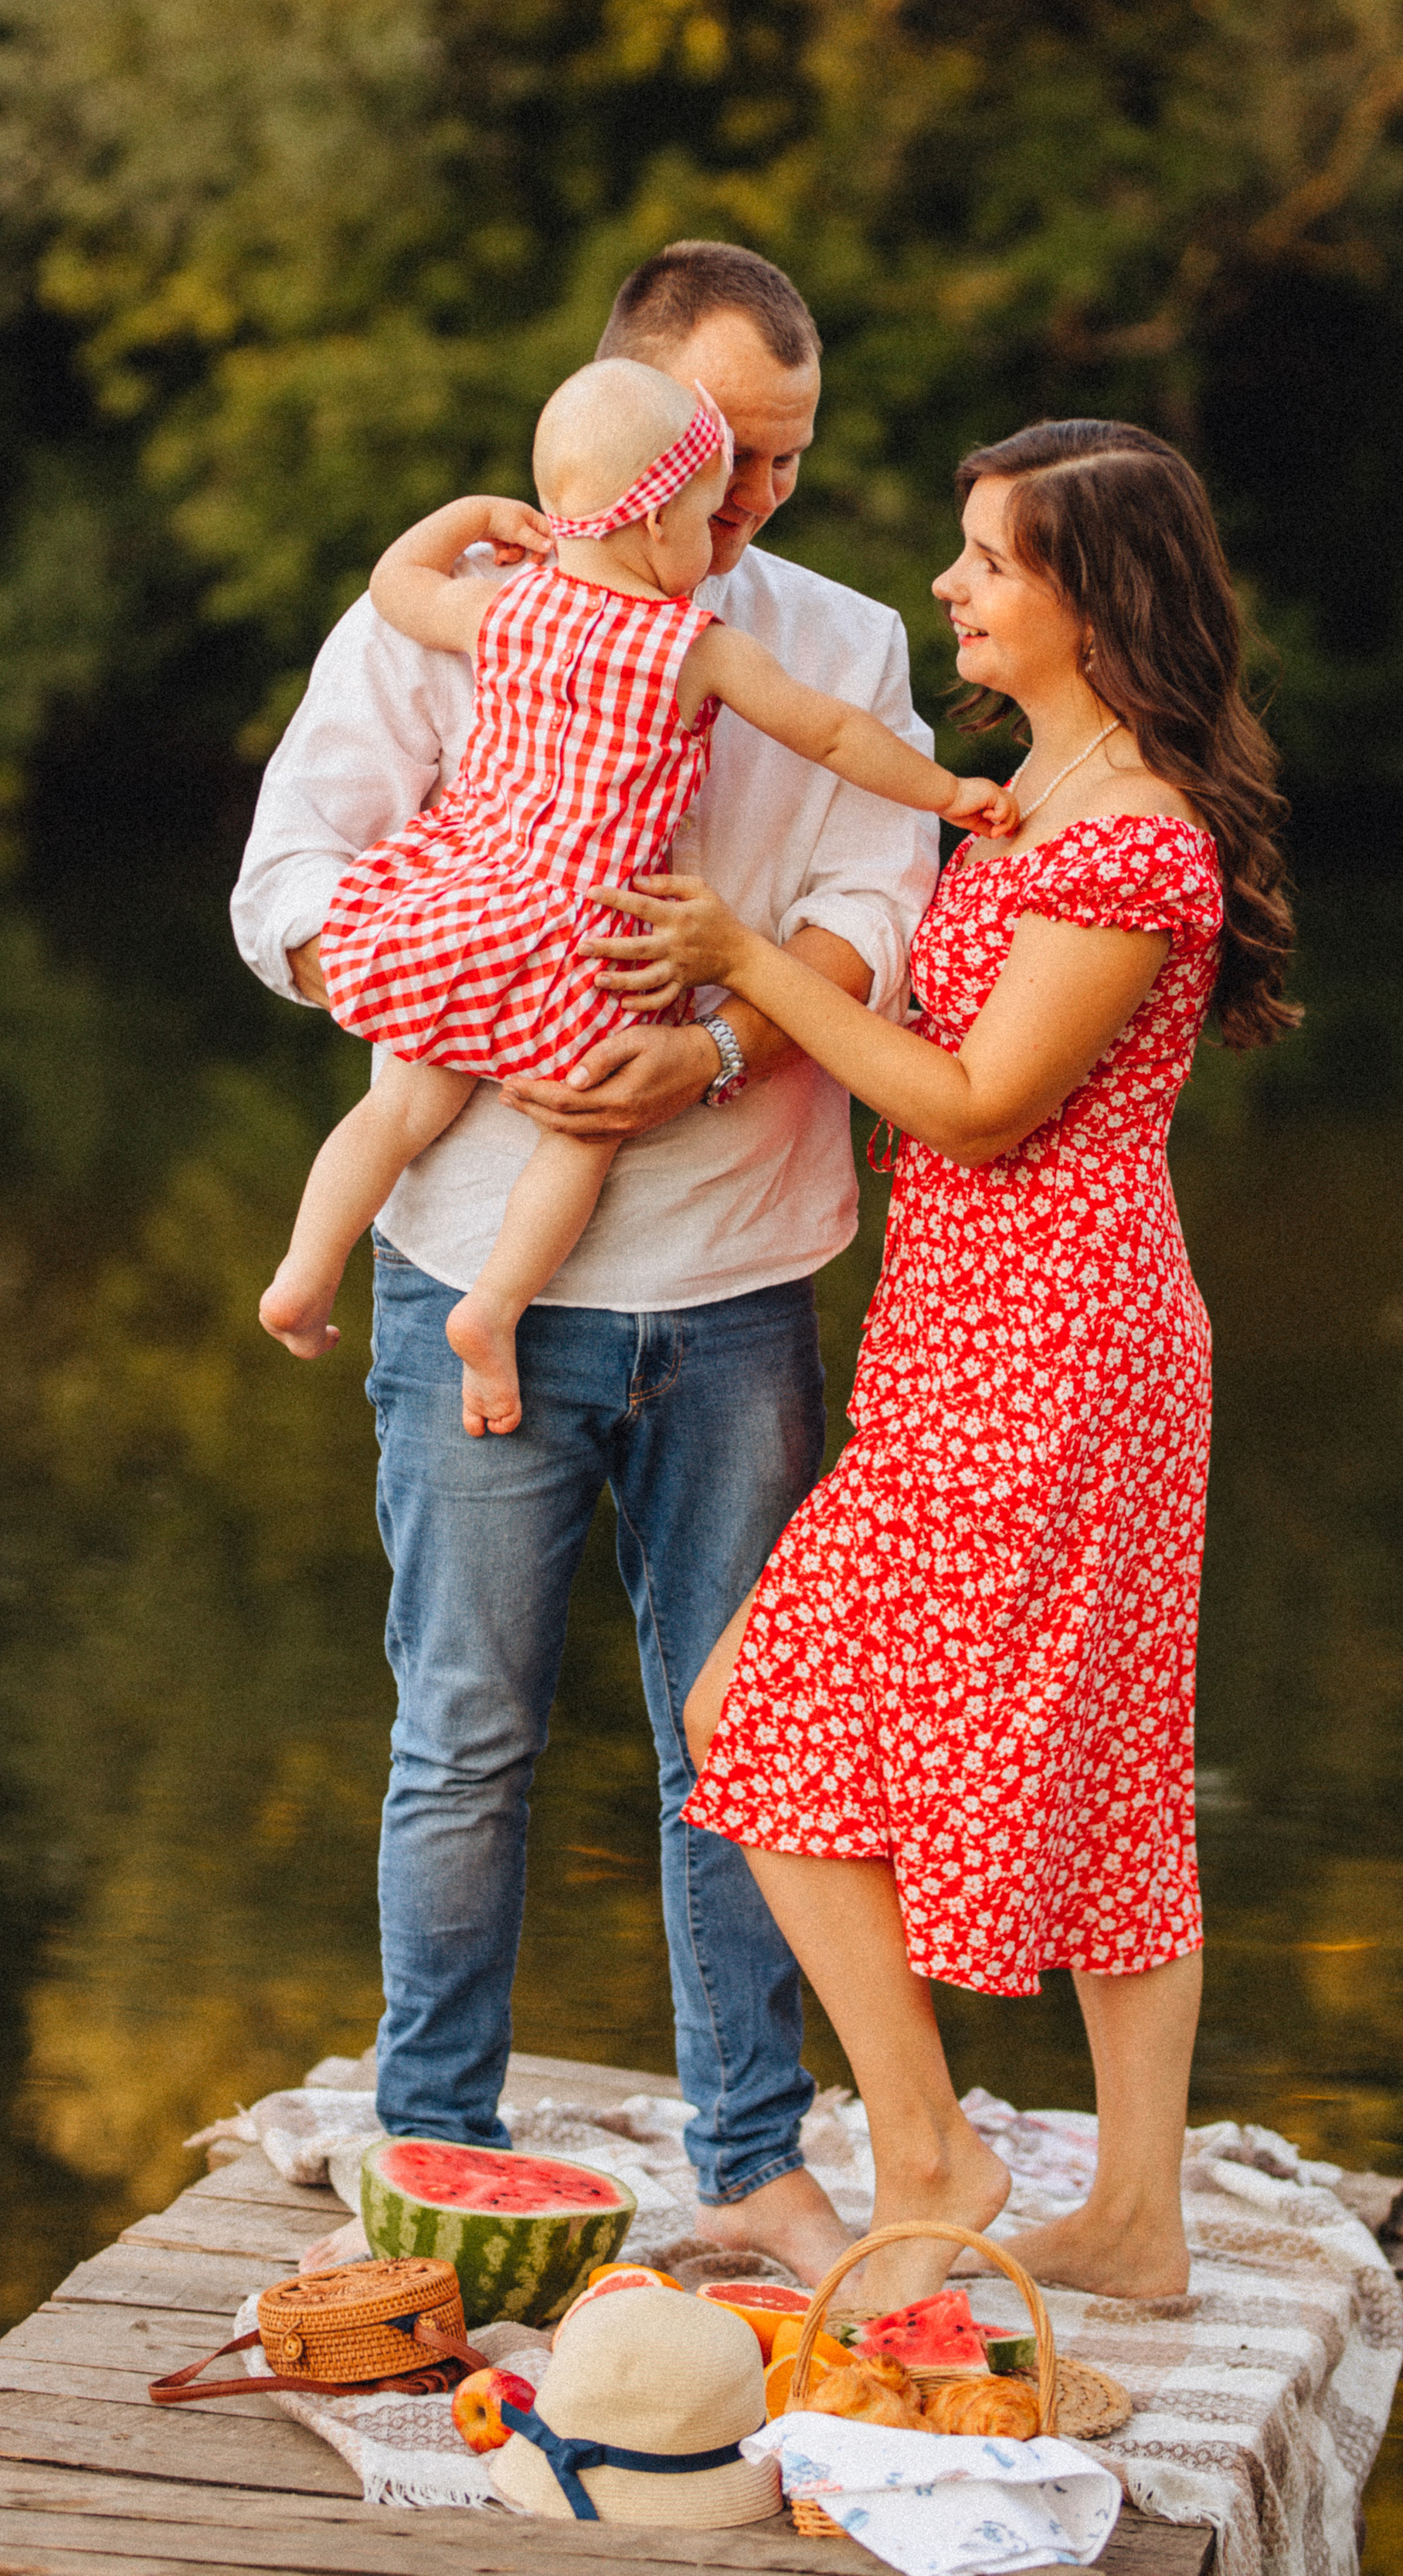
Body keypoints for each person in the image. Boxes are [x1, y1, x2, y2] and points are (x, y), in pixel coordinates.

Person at [229, 242, 936, 2282]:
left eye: (790, 461)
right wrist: (470, 963)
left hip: (738, 1286)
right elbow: (287, 886)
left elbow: (889, 888)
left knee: (752, 1740)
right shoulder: (450, 633)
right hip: (466, 1262)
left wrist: (716, 1041)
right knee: (462, 1729)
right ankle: (434, 2147)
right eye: (734, 461)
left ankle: (753, 2151)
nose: (762, 506)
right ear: (637, 437)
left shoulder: (835, 640)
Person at [592, 420, 1299, 2309]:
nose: (949, 586)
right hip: (976, 1338)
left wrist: (746, 957)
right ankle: (1127, 2217)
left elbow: (982, 1111)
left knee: (753, 1715)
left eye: (988, 560)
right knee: (1089, 1761)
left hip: (1049, 1352)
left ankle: (931, 2145)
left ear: (1093, 593)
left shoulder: (1132, 837)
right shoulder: (1040, 784)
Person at [258, 359, 1014, 1431]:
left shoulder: (503, 611)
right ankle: (495, 1308)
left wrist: (467, 516)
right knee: (585, 1130)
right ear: (658, 527)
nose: (725, 533)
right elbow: (837, 734)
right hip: (580, 934)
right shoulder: (693, 647)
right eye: (708, 514)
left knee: (397, 1106)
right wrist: (951, 789)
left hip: (463, 899)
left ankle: (300, 1269)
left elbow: (394, 585)